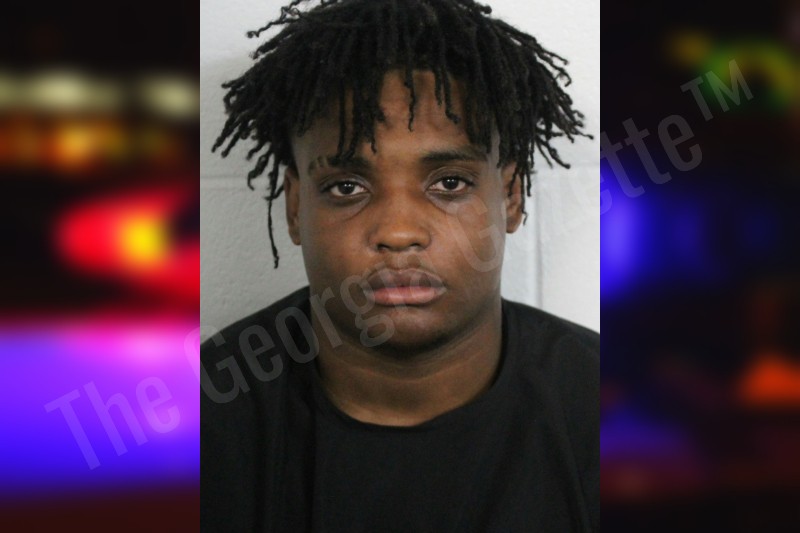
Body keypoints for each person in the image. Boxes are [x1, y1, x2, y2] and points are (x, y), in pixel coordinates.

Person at [201, 1, 598, 531]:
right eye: (347, 187)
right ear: (295, 207)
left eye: (449, 183)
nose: (398, 232)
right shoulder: (195, 421)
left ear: (511, 195)